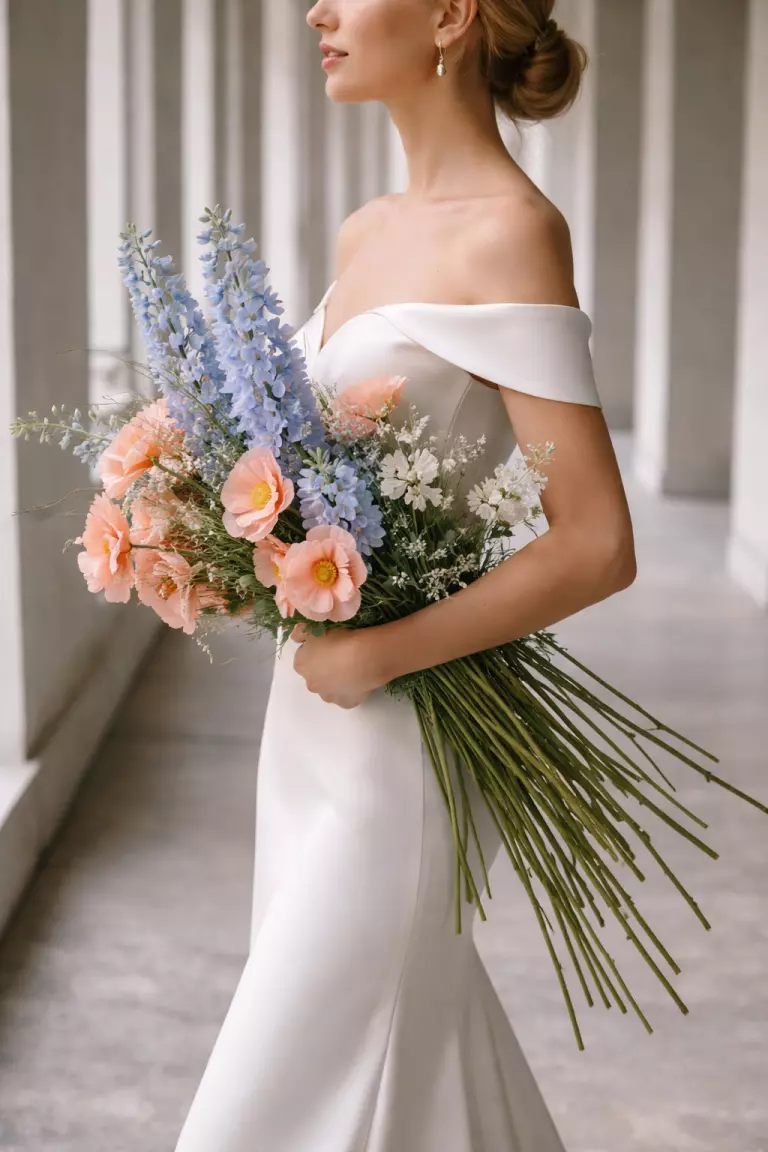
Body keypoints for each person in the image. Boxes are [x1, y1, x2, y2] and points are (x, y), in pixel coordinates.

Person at [175, 1, 636, 1148]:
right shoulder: (362, 230)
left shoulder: (514, 231)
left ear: (447, 14)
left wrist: (378, 647)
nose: (318, 11)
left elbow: (595, 542)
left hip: (405, 744)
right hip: (313, 725)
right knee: (399, 1060)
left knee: (270, 1097)